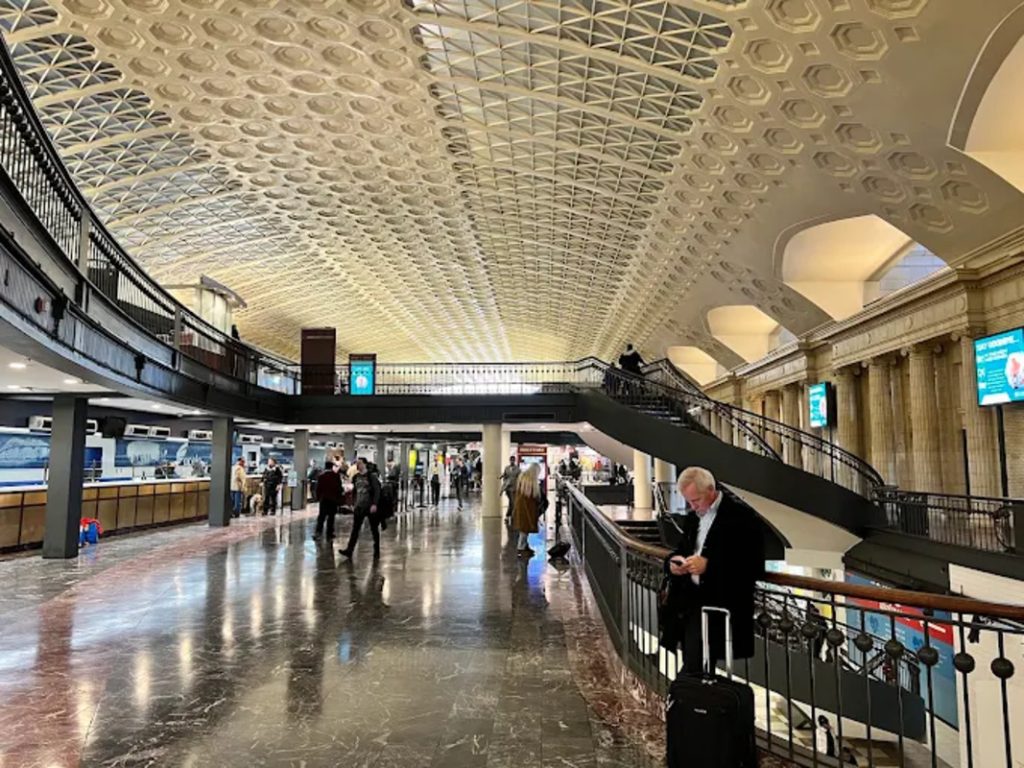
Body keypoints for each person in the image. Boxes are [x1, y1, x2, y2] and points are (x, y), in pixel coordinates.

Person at [658, 467, 765, 675]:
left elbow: (753, 565)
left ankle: (686, 701)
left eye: (696, 500)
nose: (692, 506)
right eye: (689, 501)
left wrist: (709, 566)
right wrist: (673, 563)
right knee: (693, 660)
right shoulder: (693, 518)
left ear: (710, 490)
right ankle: (689, 700)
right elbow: (682, 549)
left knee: (696, 666)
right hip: (689, 602)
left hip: (719, 604)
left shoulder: (741, 518)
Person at [339, 458, 382, 559]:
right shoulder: (356, 477)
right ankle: (349, 550)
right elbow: (355, 491)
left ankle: (377, 550)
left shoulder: (371, 477)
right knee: (355, 529)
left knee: (374, 529)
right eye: (357, 464)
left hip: (370, 506)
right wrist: (353, 503)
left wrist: (374, 504)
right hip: (359, 506)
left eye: (360, 463)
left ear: (365, 465)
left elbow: (377, 491)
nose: (358, 465)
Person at [511, 463, 548, 558]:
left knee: (523, 528)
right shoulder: (532, 482)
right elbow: (537, 497)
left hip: (521, 507)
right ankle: (521, 548)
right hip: (528, 508)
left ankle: (524, 546)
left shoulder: (522, 477)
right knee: (524, 529)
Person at [313, 460, 342, 541]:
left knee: (321, 517)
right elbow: (339, 488)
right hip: (333, 499)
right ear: (332, 466)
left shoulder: (321, 476)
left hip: (324, 499)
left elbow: (318, 488)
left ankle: (318, 533)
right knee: (331, 517)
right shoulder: (336, 476)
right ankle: (330, 533)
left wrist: (318, 498)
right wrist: (339, 498)